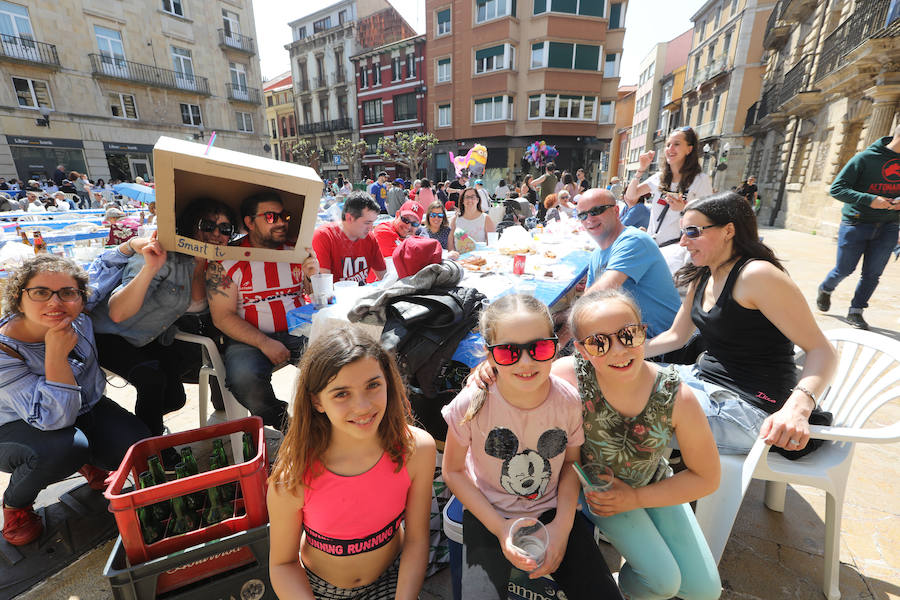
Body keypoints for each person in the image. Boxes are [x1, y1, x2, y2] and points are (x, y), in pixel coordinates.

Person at [441, 294, 622, 600]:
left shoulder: (567, 401)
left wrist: (562, 528)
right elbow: (453, 471)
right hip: (488, 512)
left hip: (553, 508)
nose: (526, 362)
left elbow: (569, 465)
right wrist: (500, 528)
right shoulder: (471, 404)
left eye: (538, 348)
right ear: (488, 354)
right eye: (509, 352)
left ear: (554, 346)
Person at [553, 289, 722, 600]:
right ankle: (628, 588)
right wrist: (487, 372)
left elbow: (707, 476)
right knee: (664, 582)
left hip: (649, 484)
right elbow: (518, 379)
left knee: (704, 591)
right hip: (598, 492)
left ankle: (629, 581)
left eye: (628, 335)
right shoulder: (569, 376)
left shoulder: (676, 395)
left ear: (643, 333)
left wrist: (637, 497)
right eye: (599, 342)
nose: (618, 350)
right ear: (581, 349)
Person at [647, 192, 837, 455]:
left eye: (692, 232)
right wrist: (621, 354)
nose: (682, 242)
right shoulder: (702, 275)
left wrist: (798, 409)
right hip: (704, 382)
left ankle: (645, 492)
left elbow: (822, 350)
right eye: (682, 232)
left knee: (623, 412)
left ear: (728, 230)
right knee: (606, 382)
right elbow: (676, 337)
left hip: (752, 408)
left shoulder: (756, 276)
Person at [267, 326, 436, 599]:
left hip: (393, 577)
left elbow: (417, 540)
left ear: (388, 383)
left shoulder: (418, 450)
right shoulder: (293, 475)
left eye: (373, 385)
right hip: (318, 590)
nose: (362, 406)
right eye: (341, 393)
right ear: (316, 401)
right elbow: (283, 564)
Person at [0, 255, 151, 546]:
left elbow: (104, 268)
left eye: (67, 293)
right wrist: (56, 355)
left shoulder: (77, 312)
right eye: (40, 292)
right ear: (19, 299)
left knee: (136, 447)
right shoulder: (6, 352)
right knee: (66, 449)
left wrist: (130, 245)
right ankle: (16, 504)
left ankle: (89, 463)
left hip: (84, 407)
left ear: (80, 298)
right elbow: (52, 419)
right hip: (21, 427)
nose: (55, 302)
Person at [90, 200, 237, 438]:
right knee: (151, 380)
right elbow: (116, 313)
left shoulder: (213, 264)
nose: (217, 234)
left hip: (151, 336)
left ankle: (135, 432)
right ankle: (151, 450)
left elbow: (202, 305)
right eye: (207, 226)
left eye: (225, 229)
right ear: (190, 225)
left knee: (175, 399)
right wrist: (150, 268)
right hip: (108, 333)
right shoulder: (160, 254)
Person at [206, 191, 320, 432]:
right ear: (249, 222)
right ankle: (289, 427)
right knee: (244, 380)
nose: (280, 222)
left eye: (284, 216)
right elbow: (222, 316)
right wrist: (264, 343)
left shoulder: (297, 251)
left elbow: (317, 296)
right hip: (250, 337)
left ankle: (324, 421)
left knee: (338, 360)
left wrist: (314, 276)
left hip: (300, 326)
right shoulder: (226, 260)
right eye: (271, 217)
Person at [816, 125, 900, 330]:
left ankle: (856, 311)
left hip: (890, 225)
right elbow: (837, 189)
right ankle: (826, 288)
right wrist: (869, 199)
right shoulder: (865, 158)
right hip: (856, 222)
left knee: (872, 274)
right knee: (844, 269)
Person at [579, 188, 680, 339]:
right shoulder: (596, 255)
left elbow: (597, 294)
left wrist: (562, 339)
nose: (589, 219)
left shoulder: (633, 241)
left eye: (596, 210)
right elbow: (588, 302)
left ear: (616, 211)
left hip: (660, 345)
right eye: (582, 215)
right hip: (630, 339)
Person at [625, 127, 713, 270]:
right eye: (668, 145)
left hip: (678, 252)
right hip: (652, 248)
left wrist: (684, 209)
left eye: (677, 144)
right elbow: (630, 197)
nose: (670, 149)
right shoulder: (659, 177)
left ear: (689, 149)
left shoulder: (700, 180)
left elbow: (709, 216)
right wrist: (641, 170)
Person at [312, 191, 387, 284]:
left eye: (373, 222)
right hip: (336, 296)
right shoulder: (324, 236)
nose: (371, 228)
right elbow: (324, 287)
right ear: (349, 218)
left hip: (361, 296)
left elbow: (384, 277)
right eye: (367, 223)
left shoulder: (370, 238)